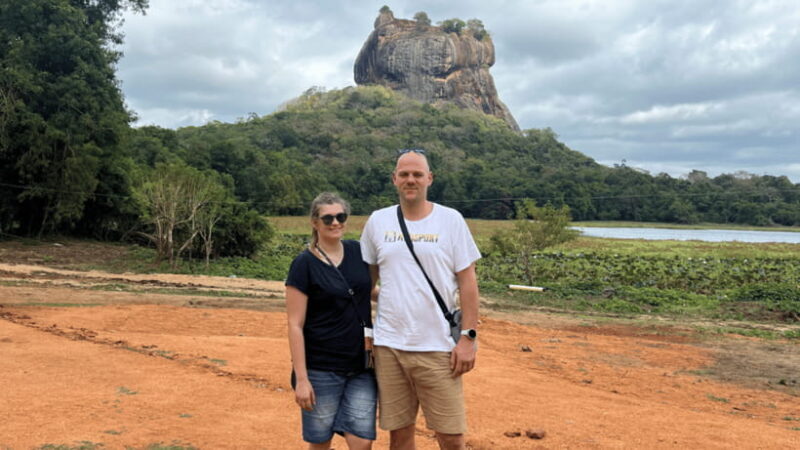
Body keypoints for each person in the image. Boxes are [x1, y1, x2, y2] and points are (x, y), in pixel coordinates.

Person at [360, 149, 481, 450]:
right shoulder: (378, 221)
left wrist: (467, 338)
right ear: (394, 179)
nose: (410, 180)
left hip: (438, 347)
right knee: (399, 435)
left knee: (451, 438)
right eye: (404, 174)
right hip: (389, 347)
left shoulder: (450, 220)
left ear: (430, 178)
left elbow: (468, 283)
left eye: (417, 174)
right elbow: (367, 282)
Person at [285, 192, 377, 450]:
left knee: (362, 440)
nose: (335, 222)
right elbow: (294, 324)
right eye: (328, 218)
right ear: (315, 222)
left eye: (341, 216)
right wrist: (302, 379)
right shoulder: (304, 264)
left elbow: (368, 290)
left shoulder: (358, 252)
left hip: (362, 365)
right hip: (321, 368)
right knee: (320, 440)